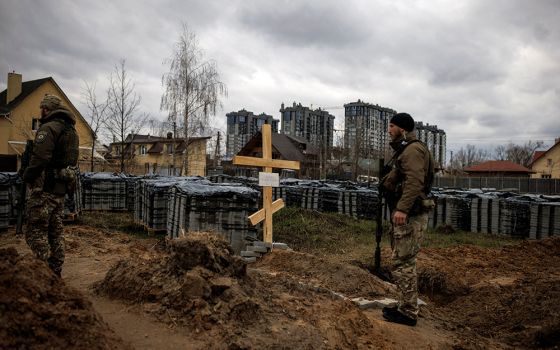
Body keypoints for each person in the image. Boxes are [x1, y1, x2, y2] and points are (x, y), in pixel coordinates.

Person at [380, 112, 434, 326]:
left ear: (403, 129)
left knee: (403, 262)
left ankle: (408, 312)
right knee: (403, 260)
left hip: (410, 215)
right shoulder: (408, 149)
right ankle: (406, 305)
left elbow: (414, 181)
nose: (388, 130)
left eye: (392, 126)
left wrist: (402, 209)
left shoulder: (412, 150)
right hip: (409, 214)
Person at [22, 94, 79, 277]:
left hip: (45, 188)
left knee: (35, 231)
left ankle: (44, 271)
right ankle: (55, 270)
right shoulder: (70, 130)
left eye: (42, 108)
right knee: (55, 231)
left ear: (47, 109)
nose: (40, 111)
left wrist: (27, 175)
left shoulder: (49, 128)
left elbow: (40, 158)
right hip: (60, 189)